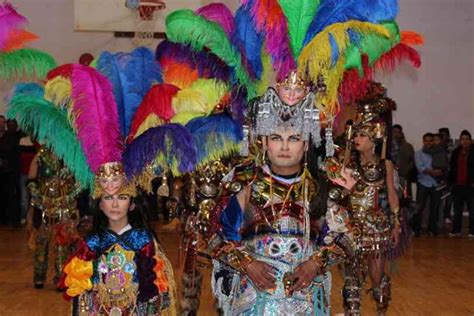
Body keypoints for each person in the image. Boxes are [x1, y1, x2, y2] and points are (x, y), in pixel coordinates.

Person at [206, 73, 354, 315]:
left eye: (294, 138)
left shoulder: (322, 185)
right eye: (277, 138)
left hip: (306, 298)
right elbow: (213, 233)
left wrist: (315, 263)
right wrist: (247, 263)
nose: (285, 147)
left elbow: (346, 238)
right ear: (264, 142)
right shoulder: (245, 181)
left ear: (306, 144)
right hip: (253, 299)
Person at [59, 164, 177, 315]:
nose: (115, 204)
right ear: (100, 204)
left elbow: (156, 290)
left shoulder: (143, 240)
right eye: (108, 197)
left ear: (132, 204)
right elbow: (81, 295)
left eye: (122, 197)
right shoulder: (92, 242)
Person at [335, 84, 401, 315]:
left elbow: (391, 194)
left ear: (374, 139)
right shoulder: (346, 163)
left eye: (363, 135)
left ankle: (381, 307)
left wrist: (396, 222)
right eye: (357, 134)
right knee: (350, 275)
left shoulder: (385, 165)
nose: (357, 139)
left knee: (376, 275)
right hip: (351, 225)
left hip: (375, 225)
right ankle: (352, 310)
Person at [27, 147, 81, 289]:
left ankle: (60, 278)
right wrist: (37, 195)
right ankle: (39, 277)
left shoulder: (71, 156)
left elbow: (80, 181)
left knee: (62, 243)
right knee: (41, 242)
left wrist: (69, 196)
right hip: (44, 205)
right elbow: (31, 179)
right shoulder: (41, 155)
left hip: (64, 206)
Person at [414, 133, 443, 236]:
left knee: (435, 208)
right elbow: (420, 168)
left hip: (436, 184)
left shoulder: (437, 153)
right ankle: (416, 229)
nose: (428, 143)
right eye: (426, 140)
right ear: (423, 141)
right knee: (419, 207)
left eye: (431, 140)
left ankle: (433, 229)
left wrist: (440, 172)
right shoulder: (418, 153)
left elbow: (442, 166)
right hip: (423, 182)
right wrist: (433, 172)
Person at [448, 130, 474, 238]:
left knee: (472, 210)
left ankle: (472, 231)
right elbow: (452, 168)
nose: (465, 141)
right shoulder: (455, 152)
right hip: (457, 185)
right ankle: (456, 230)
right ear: (460, 140)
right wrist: (451, 182)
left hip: (471, 185)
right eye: (462, 139)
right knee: (457, 210)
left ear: (470, 140)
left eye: (467, 139)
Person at [391, 124, 415, 199]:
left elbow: (412, 160)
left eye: (399, 132)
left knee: (404, 198)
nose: (397, 134)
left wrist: (406, 170)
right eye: (395, 132)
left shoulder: (408, 146)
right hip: (390, 176)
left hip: (404, 176)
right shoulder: (386, 146)